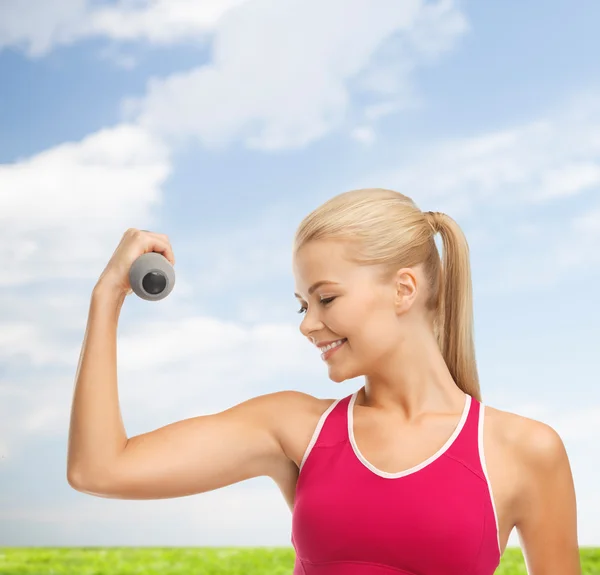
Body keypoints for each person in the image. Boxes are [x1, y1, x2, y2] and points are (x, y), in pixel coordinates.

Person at [67, 188, 581, 574]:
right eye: (301, 304)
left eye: (326, 299)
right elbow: (99, 469)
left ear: (404, 289)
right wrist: (106, 297)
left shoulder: (524, 451)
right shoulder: (294, 428)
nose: (307, 323)